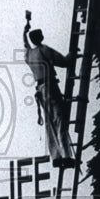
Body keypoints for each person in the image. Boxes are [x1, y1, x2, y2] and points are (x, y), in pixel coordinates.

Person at [23, 11, 76, 168]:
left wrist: (24, 31)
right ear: (41, 38)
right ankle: (66, 156)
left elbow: (24, 44)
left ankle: (56, 157)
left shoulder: (29, 54)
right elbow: (64, 61)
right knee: (60, 119)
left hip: (40, 90)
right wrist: (72, 54)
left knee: (49, 123)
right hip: (50, 87)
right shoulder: (43, 49)